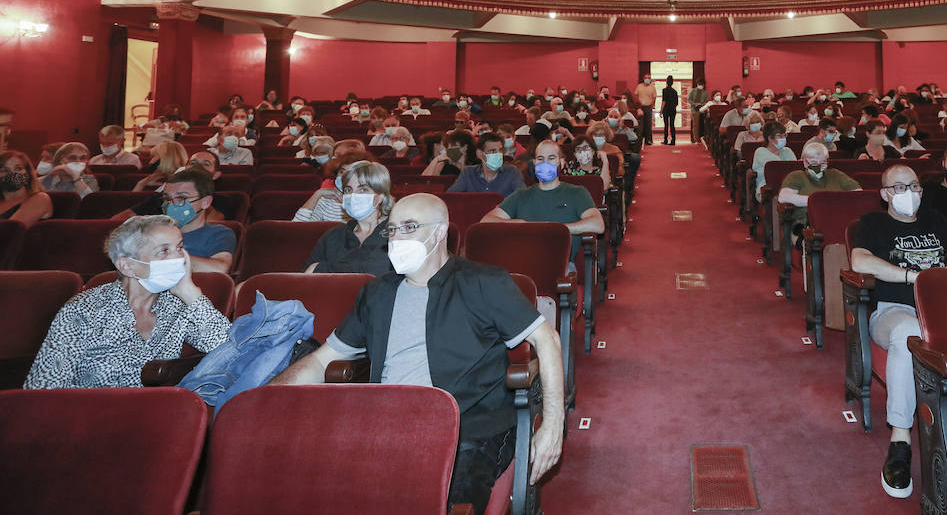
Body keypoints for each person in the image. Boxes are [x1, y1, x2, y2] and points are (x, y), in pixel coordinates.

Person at [272, 194, 564, 511]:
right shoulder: (377, 293)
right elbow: (320, 360)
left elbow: (547, 339)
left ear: (439, 232)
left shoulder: (483, 282)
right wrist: (268, 399)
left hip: (470, 427)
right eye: (392, 229)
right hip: (385, 422)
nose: (396, 238)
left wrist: (552, 425)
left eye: (409, 227)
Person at [849, 164, 947, 499]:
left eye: (913, 186)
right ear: (884, 194)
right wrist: (913, 276)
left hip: (942, 311)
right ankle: (900, 440)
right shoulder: (872, 223)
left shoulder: (935, 222)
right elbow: (860, 262)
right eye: (898, 187)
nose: (908, 193)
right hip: (894, 312)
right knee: (909, 331)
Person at [25, 214, 231, 388]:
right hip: (86, 419)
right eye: (164, 251)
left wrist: (191, 293)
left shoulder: (179, 304)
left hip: (155, 418)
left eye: (179, 248)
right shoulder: (84, 310)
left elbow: (229, 349)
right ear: (127, 266)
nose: (178, 259)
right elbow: (43, 388)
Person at [482, 141, 604, 245]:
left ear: (561, 163)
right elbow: (486, 221)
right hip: (522, 259)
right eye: (540, 159)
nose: (545, 163)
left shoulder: (577, 193)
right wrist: (519, 225)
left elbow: (598, 225)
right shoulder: (521, 195)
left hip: (560, 264)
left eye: (551, 158)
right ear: (535, 163)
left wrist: (555, 229)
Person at [305, 161, 393, 274]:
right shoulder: (333, 236)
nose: (353, 196)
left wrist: (320, 268)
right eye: (348, 190)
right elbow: (306, 278)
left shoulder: (394, 232)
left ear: (380, 197)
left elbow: (380, 272)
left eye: (363, 189)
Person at [0, 150, 53, 225]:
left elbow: (10, 230)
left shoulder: (40, 199)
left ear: (28, 173)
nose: (12, 173)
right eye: (4, 170)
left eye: (18, 169)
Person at [751, 122, 796, 205]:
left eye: (784, 135)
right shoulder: (760, 152)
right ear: (770, 138)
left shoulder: (787, 151)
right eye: (779, 136)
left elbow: (795, 169)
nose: (783, 138)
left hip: (789, 186)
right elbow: (777, 167)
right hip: (768, 188)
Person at [634, 74, 657, 145]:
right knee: (640, 125)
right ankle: (640, 140)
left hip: (648, 107)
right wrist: (638, 105)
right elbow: (636, 95)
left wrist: (652, 105)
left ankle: (648, 140)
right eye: (646, 78)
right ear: (643, 78)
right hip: (640, 107)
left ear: (650, 79)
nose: (647, 79)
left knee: (648, 124)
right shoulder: (639, 86)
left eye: (649, 78)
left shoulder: (652, 87)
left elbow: (654, 98)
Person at [660, 75, 679, 146]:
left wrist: (661, 110)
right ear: (672, 82)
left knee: (666, 125)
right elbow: (677, 103)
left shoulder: (664, 90)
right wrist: (673, 107)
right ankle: (673, 140)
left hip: (666, 109)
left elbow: (663, 101)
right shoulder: (675, 91)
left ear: (667, 82)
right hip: (673, 110)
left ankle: (665, 140)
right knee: (672, 125)